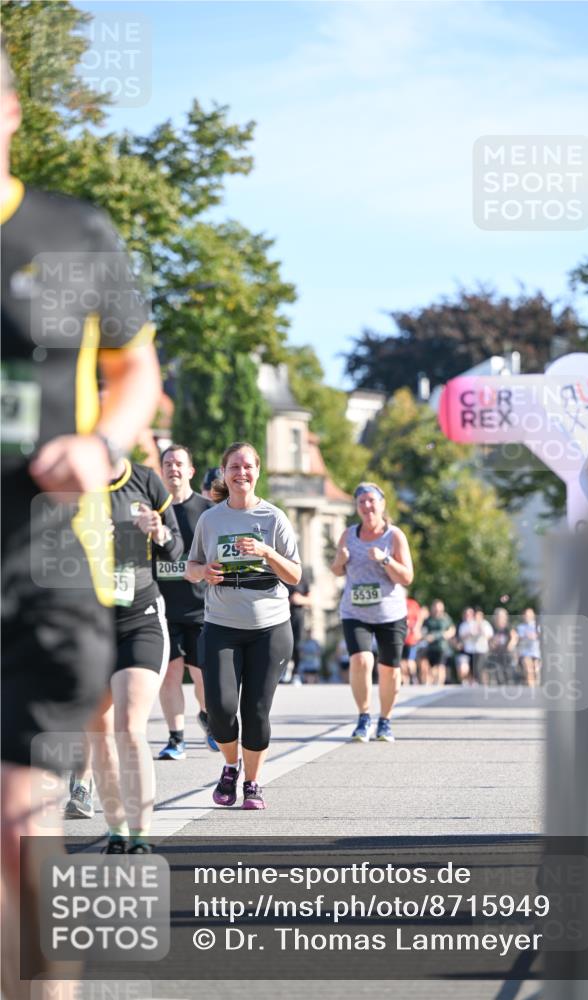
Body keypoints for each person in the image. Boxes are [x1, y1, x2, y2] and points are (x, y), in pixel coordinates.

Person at [1, 45, 161, 999]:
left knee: (22, 822)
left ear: (11, 112)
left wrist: (101, 449)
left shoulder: (68, 235)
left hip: (43, 565)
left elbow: (135, 367)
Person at [185, 442, 301, 810]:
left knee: (255, 711)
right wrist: (204, 572)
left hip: (270, 626)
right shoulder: (211, 519)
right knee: (219, 708)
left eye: (248, 466)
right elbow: (191, 567)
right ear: (224, 473)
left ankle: (252, 783)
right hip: (221, 623)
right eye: (234, 466)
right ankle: (230, 766)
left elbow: (295, 575)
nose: (241, 473)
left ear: (258, 471)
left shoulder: (273, 518)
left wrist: (267, 552)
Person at [87, 459, 183, 853]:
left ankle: (141, 835)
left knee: (129, 727)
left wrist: (159, 532)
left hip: (139, 618)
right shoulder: (76, 481)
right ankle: (117, 831)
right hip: (90, 626)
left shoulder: (146, 481)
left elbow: (177, 547)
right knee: (100, 736)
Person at [331, 482, 414, 742]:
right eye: (361, 502)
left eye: (371, 501)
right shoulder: (348, 535)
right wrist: (340, 561)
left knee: (389, 669)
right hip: (355, 611)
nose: (367, 506)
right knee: (361, 660)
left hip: (390, 613)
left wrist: (385, 559)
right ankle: (364, 716)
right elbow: (336, 570)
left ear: (382, 504)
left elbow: (408, 577)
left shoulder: (394, 536)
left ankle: (385, 720)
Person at [157, 444, 215, 758]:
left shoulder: (207, 510)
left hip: (200, 608)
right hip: (163, 607)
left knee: (202, 674)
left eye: (179, 463)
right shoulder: (152, 511)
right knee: (170, 673)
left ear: (191, 471)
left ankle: (207, 715)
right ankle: (176, 738)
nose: (173, 469)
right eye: (167, 464)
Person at [422, 599, 456, 686]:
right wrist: (427, 637)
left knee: (441, 666)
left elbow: (452, 630)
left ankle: (440, 684)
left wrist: (446, 635)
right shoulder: (428, 620)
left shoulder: (446, 618)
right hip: (431, 647)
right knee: (431, 667)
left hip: (442, 646)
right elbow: (423, 632)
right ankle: (432, 682)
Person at [484, 607, 518, 685]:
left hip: (507, 653)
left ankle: (510, 681)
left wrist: (509, 646)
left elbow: (514, 637)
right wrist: (492, 644)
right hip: (495, 653)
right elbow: (489, 640)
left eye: (503, 617)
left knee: (509, 661)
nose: (501, 619)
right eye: (499, 617)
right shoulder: (492, 627)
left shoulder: (509, 627)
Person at [288, 575, 311, 680]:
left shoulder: (303, 580)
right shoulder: (281, 577)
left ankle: (296, 673)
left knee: (297, 645)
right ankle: (284, 672)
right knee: (284, 644)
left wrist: (300, 599)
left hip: (299, 618)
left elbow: (310, 600)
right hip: (284, 615)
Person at [401, 595, 424, 685]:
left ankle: (413, 677)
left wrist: (416, 628)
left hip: (411, 638)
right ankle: (405, 680)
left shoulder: (412, 603)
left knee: (410, 660)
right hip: (400, 638)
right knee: (402, 661)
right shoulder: (396, 602)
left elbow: (419, 617)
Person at [516, 607, 541, 686]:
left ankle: (536, 684)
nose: (528, 616)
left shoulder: (538, 626)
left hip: (536, 651)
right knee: (528, 669)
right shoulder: (521, 627)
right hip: (525, 651)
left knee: (536, 670)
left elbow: (541, 636)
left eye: (529, 615)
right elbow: (519, 638)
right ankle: (531, 687)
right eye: (526, 615)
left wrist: (535, 636)